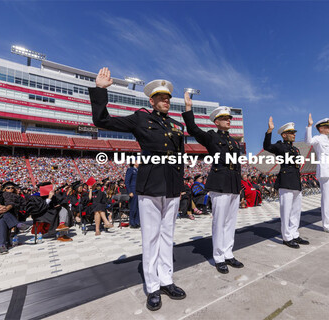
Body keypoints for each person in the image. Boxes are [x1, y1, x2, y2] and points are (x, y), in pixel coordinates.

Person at [89, 68, 186, 311]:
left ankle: (166, 280)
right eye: (161, 98)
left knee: (168, 236)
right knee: (151, 237)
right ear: (151, 101)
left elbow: (180, 157)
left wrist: (181, 183)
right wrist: (101, 90)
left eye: (168, 98)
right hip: (151, 183)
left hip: (172, 185)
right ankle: (152, 287)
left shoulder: (176, 125)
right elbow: (102, 121)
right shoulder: (141, 118)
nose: (166, 101)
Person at [183, 93, 243, 274]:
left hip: (233, 182)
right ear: (216, 122)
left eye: (229, 118)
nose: (228, 121)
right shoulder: (211, 137)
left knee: (231, 221)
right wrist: (188, 108)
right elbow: (193, 129)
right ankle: (218, 256)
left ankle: (228, 253)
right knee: (219, 222)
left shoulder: (233, 140)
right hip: (219, 181)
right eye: (224, 118)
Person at [263, 118, 309, 248]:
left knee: (296, 210)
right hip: (285, 181)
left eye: (294, 132)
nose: (294, 134)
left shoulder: (295, 149)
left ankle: (294, 234)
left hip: (295, 181)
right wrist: (269, 130)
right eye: (291, 132)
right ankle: (286, 237)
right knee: (286, 211)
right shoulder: (280, 146)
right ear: (284, 135)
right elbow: (267, 147)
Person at [305, 115, 329, 234]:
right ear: (321, 128)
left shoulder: (328, 141)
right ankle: (326, 224)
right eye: (327, 127)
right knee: (327, 198)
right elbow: (308, 141)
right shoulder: (318, 138)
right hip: (325, 171)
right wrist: (309, 126)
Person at [0, 176, 29, 254]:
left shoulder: (4, 194)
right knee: (3, 216)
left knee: (2, 219)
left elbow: (12, 203)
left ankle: (1, 245)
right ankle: (17, 224)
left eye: (0, 183)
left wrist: (6, 207)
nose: (0, 185)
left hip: (1, 219)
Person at [125, 163, 140, 228]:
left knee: (138, 207)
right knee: (133, 207)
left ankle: (137, 222)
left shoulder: (138, 170)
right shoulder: (130, 170)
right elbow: (127, 181)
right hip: (133, 190)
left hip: (139, 190)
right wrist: (129, 191)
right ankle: (132, 222)